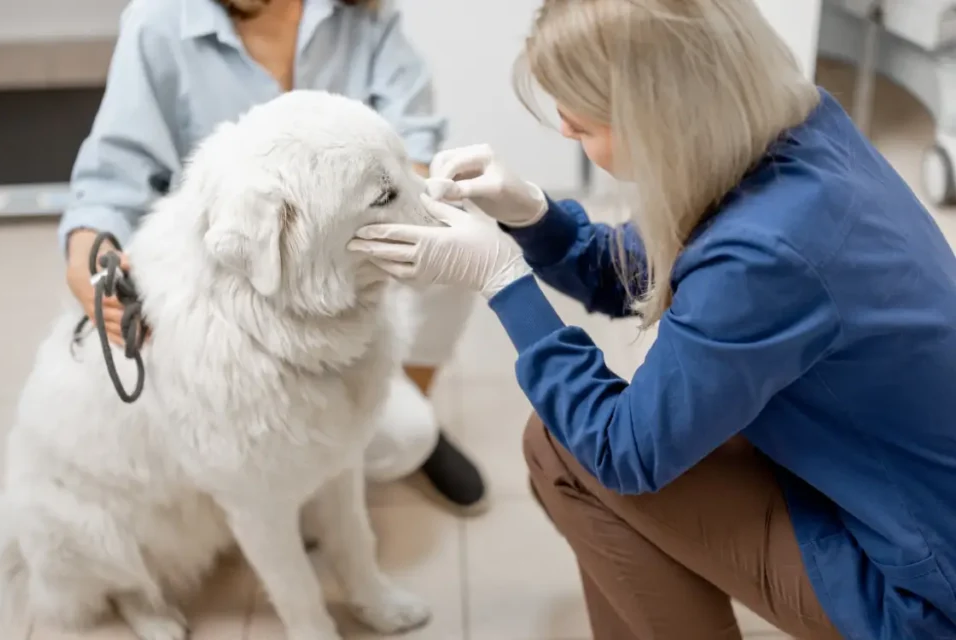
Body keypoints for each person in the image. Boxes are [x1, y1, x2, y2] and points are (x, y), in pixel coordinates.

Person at [348, 0, 956, 638]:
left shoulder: (765, 256)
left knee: (569, 452)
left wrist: (503, 280)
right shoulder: (793, 124)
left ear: (659, 116)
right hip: (902, 489)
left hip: (922, 590)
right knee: (563, 442)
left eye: (581, 126)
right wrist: (535, 216)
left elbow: (622, 452)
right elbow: (654, 269)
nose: (564, 134)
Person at [58, 0, 487, 512]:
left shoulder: (362, 15)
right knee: (384, 442)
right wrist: (88, 247)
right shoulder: (157, 23)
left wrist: (380, 194)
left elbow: (414, 134)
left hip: (345, 267)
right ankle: (295, 475)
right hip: (246, 305)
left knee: (458, 240)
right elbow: (113, 178)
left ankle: (403, 403)